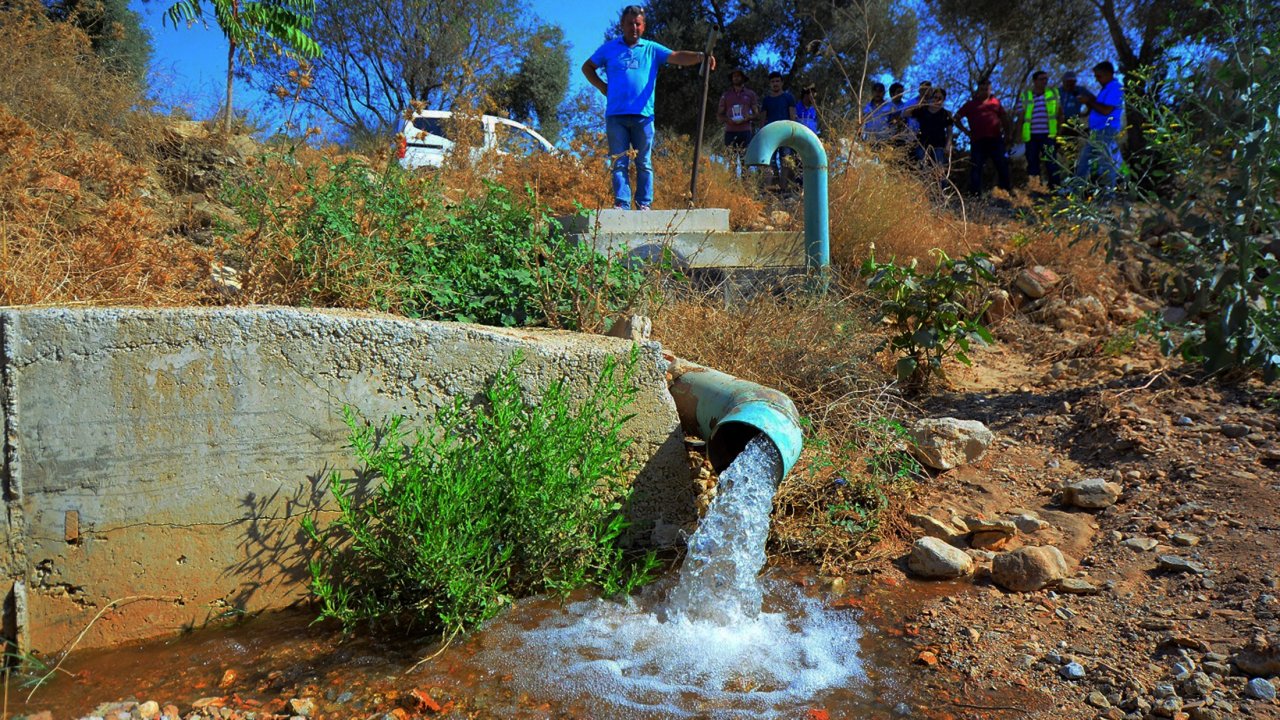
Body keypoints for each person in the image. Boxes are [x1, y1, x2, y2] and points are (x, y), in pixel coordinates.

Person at [581, 5, 715, 210]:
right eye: (630, 24)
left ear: (643, 26)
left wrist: (700, 56)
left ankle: (644, 204)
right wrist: (602, 87)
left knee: (643, 162)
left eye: (638, 24)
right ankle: (622, 204)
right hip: (616, 116)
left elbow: (676, 56)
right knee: (619, 162)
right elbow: (587, 67)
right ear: (622, 25)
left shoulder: (651, 49)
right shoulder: (609, 48)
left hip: (643, 116)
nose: (634, 28)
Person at [1073, 60, 1124, 197]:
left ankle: (1108, 195)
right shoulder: (1106, 88)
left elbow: (1106, 110)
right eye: (1095, 76)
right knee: (1084, 161)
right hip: (1098, 131)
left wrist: (1089, 101)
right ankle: (1076, 192)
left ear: (1109, 74)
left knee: (1105, 162)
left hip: (1106, 129)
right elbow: (1098, 107)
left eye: (1099, 76)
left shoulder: (1115, 88)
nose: (1097, 79)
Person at [954, 77, 1011, 195]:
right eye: (982, 89)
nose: (985, 91)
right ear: (978, 90)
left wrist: (1007, 134)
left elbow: (1004, 118)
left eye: (987, 89)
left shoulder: (996, 102)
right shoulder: (970, 104)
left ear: (990, 90)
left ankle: (1005, 191)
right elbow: (956, 118)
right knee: (976, 167)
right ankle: (975, 194)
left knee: (1002, 164)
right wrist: (966, 132)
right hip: (978, 141)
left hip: (996, 140)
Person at [1016, 70, 1065, 189]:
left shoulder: (1053, 94)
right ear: (1034, 81)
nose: (1044, 81)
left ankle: (1055, 188)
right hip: (1031, 136)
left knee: (1051, 162)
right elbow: (1020, 118)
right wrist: (1018, 135)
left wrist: (1059, 133)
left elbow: (1060, 114)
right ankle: (1035, 188)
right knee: (1032, 163)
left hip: (1048, 135)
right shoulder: (1025, 96)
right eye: (1041, 79)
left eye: (1046, 79)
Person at [760, 71, 797, 189]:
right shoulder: (766, 100)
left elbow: (792, 116)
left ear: (782, 83)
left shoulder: (788, 97)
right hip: (770, 134)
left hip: (786, 133)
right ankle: (769, 188)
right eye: (772, 82)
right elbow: (763, 119)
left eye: (777, 81)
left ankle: (783, 188)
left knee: (785, 160)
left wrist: (793, 133)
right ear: (770, 84)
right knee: (769, 161)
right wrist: (761, 135)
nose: (775, 83)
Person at [717, 69, 758, 174]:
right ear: (731, 79)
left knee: (746, 162)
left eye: (738, 76)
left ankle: (746, 184)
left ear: (743, 78)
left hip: (745, 132)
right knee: (731, 162)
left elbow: (756, 113)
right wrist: (728, 120)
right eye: (734, 76)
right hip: (730, 132)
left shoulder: (750, 94)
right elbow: (719, 115)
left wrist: (748, 117)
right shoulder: (726, 95)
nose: (736, 78)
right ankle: (733, 184)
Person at [911, 88, 954, 181]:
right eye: (935, 97)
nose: (937, 100)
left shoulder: (946, 113)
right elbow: (905, 114)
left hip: (939, 146)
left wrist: (948, 146)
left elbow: (949, 131)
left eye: (940, 98)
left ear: (943, 99)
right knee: (922, 171)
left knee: (939, 172)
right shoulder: (922, 110)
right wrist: (921, 103)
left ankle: (940, 189)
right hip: (922, 145)